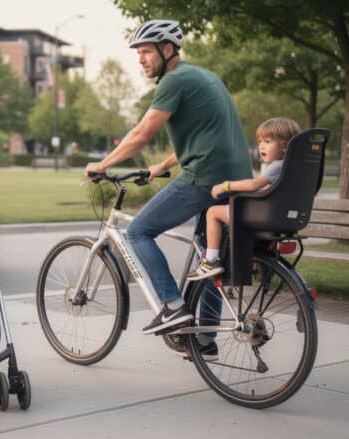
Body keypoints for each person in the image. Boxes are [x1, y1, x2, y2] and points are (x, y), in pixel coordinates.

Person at [84, 19, 253, 336]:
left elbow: (141, 134)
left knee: (137, 232)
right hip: (234, 177)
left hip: (205, 175)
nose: (141, 60)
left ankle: (172, 307)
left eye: (146, 51)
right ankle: (205, 339)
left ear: (167, 49)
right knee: (208, 256)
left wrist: (101, 165)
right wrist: (162, 166)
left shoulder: (172, 82)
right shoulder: (204, 77)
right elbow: (207, 136)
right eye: (138, 54)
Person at [188, 117, 301, 281]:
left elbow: (253, 185)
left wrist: (225, 186)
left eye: (267, 141)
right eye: (260, 141)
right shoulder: (292, 167)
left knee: (213, 212)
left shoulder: (277, 166)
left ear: (284, 146)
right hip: (282, 216)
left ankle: (211, 261)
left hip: (264, 217)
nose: (261, 145)